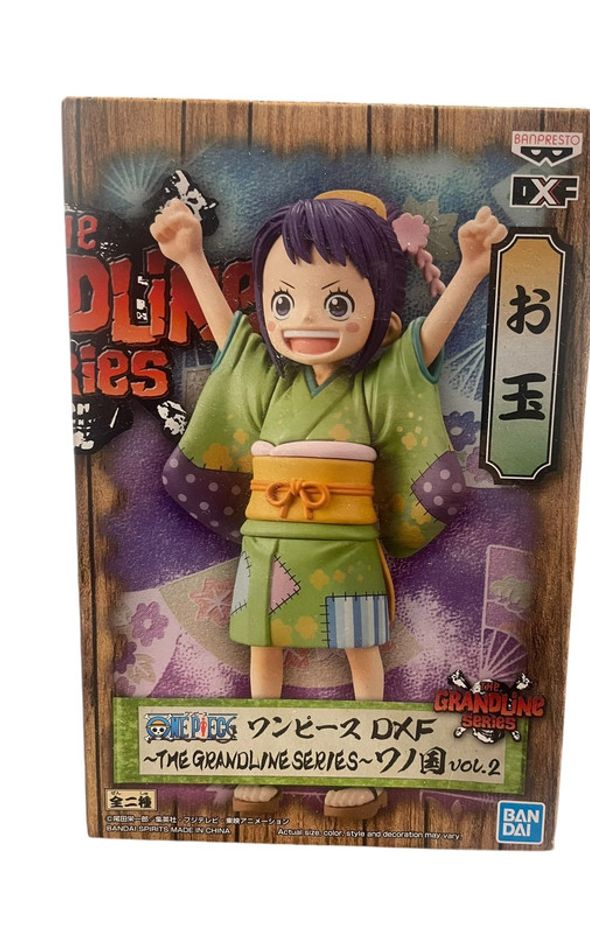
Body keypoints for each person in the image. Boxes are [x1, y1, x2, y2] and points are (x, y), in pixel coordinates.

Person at [152, 190, 506, 818]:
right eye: (283, 302)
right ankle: (261, 764)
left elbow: (425, 342)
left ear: (379, 302)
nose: (305, 321)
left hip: (346, 543)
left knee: (360, 649)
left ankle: (365, 771)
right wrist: (192, 260)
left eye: (337, 303)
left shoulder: (374, 381)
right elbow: (231, 341)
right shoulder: (271, 379)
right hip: (270, 541)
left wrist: (472, 270)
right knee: (264, 649)